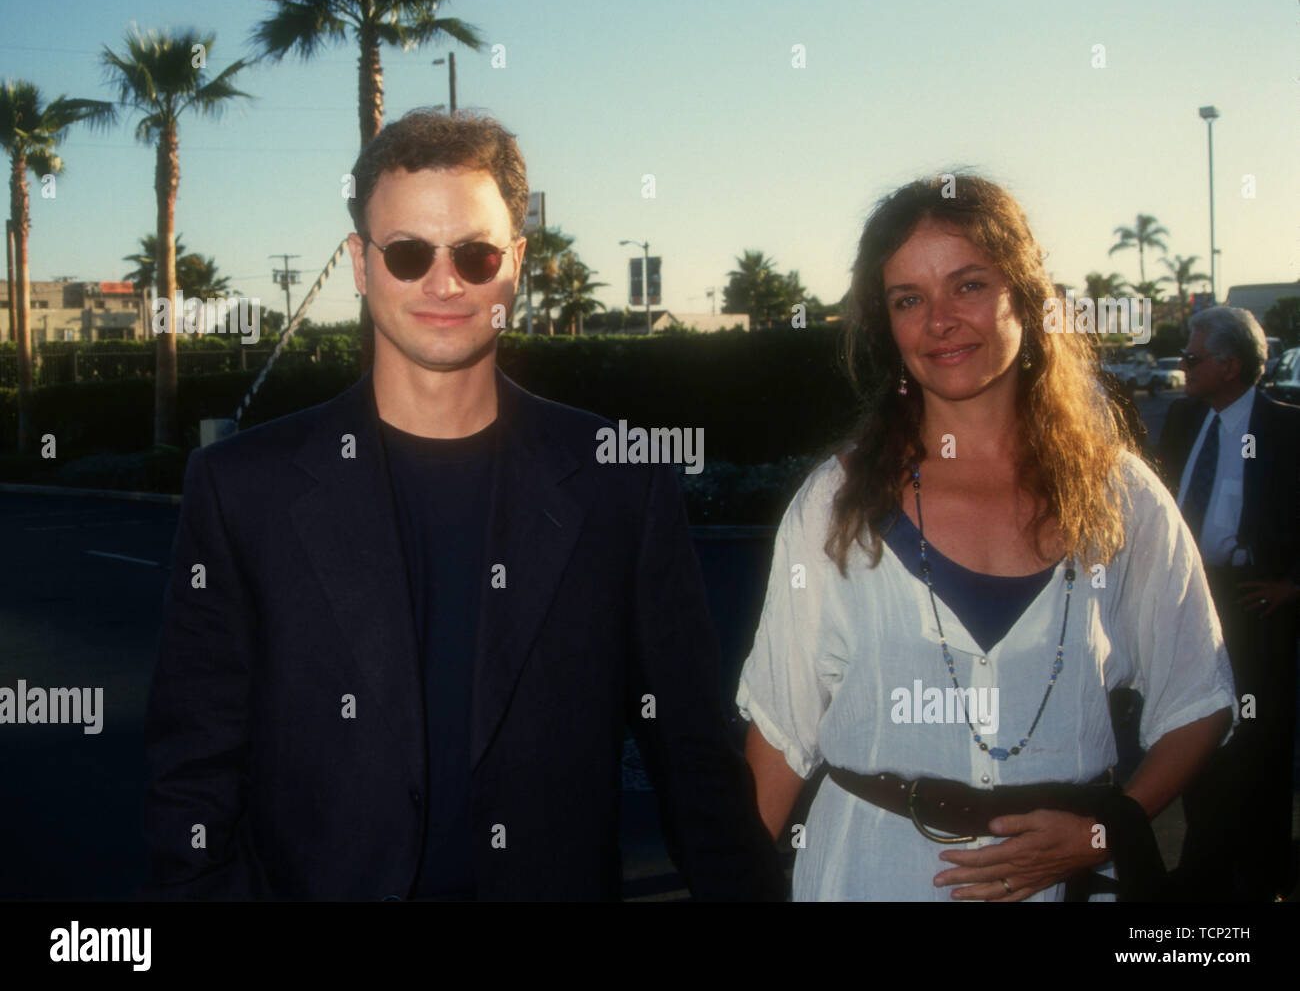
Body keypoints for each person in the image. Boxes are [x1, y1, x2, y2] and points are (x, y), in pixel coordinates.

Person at [141, 108, 783, 901]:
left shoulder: (620, 477)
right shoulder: (241, 487)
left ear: (515, 263)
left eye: (475, 255)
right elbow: (192, 780)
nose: (443, 284)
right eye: (408, 253)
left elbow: (688, 757)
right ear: (360, 262)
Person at [737, 174, 1235, 901]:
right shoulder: (834, 508)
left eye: (968, 285)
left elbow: (1199, 699)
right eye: (909, 299)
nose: (939, 320)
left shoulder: (1120, 498)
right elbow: (780, 737)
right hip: (870, 878)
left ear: (1026, 297)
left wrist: (1107, 831)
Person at [1157, 306, 1300, 901]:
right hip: (1192, 599)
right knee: (1196, 730)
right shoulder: (1185, 419)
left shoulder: (1289, 429)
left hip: (1254, 605)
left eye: (1192, 359)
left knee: (1260, 743)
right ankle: (1204, 869)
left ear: (1230, 364)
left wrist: (1296, 584)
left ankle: (1262, 875)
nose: (1183, 369)